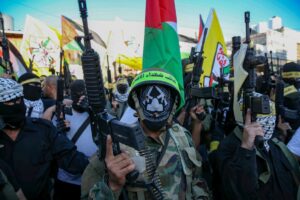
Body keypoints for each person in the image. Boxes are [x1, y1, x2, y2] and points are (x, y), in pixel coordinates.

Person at [82, 69, 211, 200]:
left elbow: (196, 179)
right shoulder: (115, 147)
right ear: (136, 101)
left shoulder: (182, 136)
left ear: (174, 103)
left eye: (164, 99)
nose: (155, 109)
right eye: (148, 99)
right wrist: (112, 186)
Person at [0, 77, 89, 200]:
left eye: (19, 100)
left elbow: (71, 158)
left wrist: (102, 166)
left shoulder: (42, 129)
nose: (15, 105)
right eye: (8, 103)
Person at [216, 104, 300, 199]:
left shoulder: (273, 141)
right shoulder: (229, 146)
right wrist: (246, 148)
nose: (269, 119)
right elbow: (236, 192)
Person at [51, 80, 98, 200]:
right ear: (70, 94)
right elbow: (51, 140)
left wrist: (92, 111)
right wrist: (58, 130)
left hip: (93, 177)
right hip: (66, 179)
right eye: (77, 94)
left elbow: (108, 134)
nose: (80, 98)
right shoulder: (62, 113)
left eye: (84, 94)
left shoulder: (98, 113)